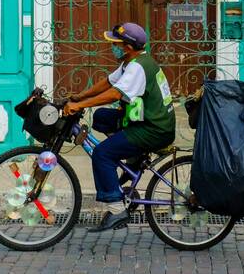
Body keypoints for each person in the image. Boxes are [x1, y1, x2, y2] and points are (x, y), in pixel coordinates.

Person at [62, 22, 175, 232]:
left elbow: (115, 94)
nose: (112, 46)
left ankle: (116, 209)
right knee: (102, 117)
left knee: (102, 154)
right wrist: (80, 96)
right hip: (141, 120)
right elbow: (108, 83)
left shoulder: (138, 67)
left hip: (153, 129)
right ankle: (132, 162)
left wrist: (78, 106)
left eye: (115, 43)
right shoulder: (132, 61)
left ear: (127, 47)